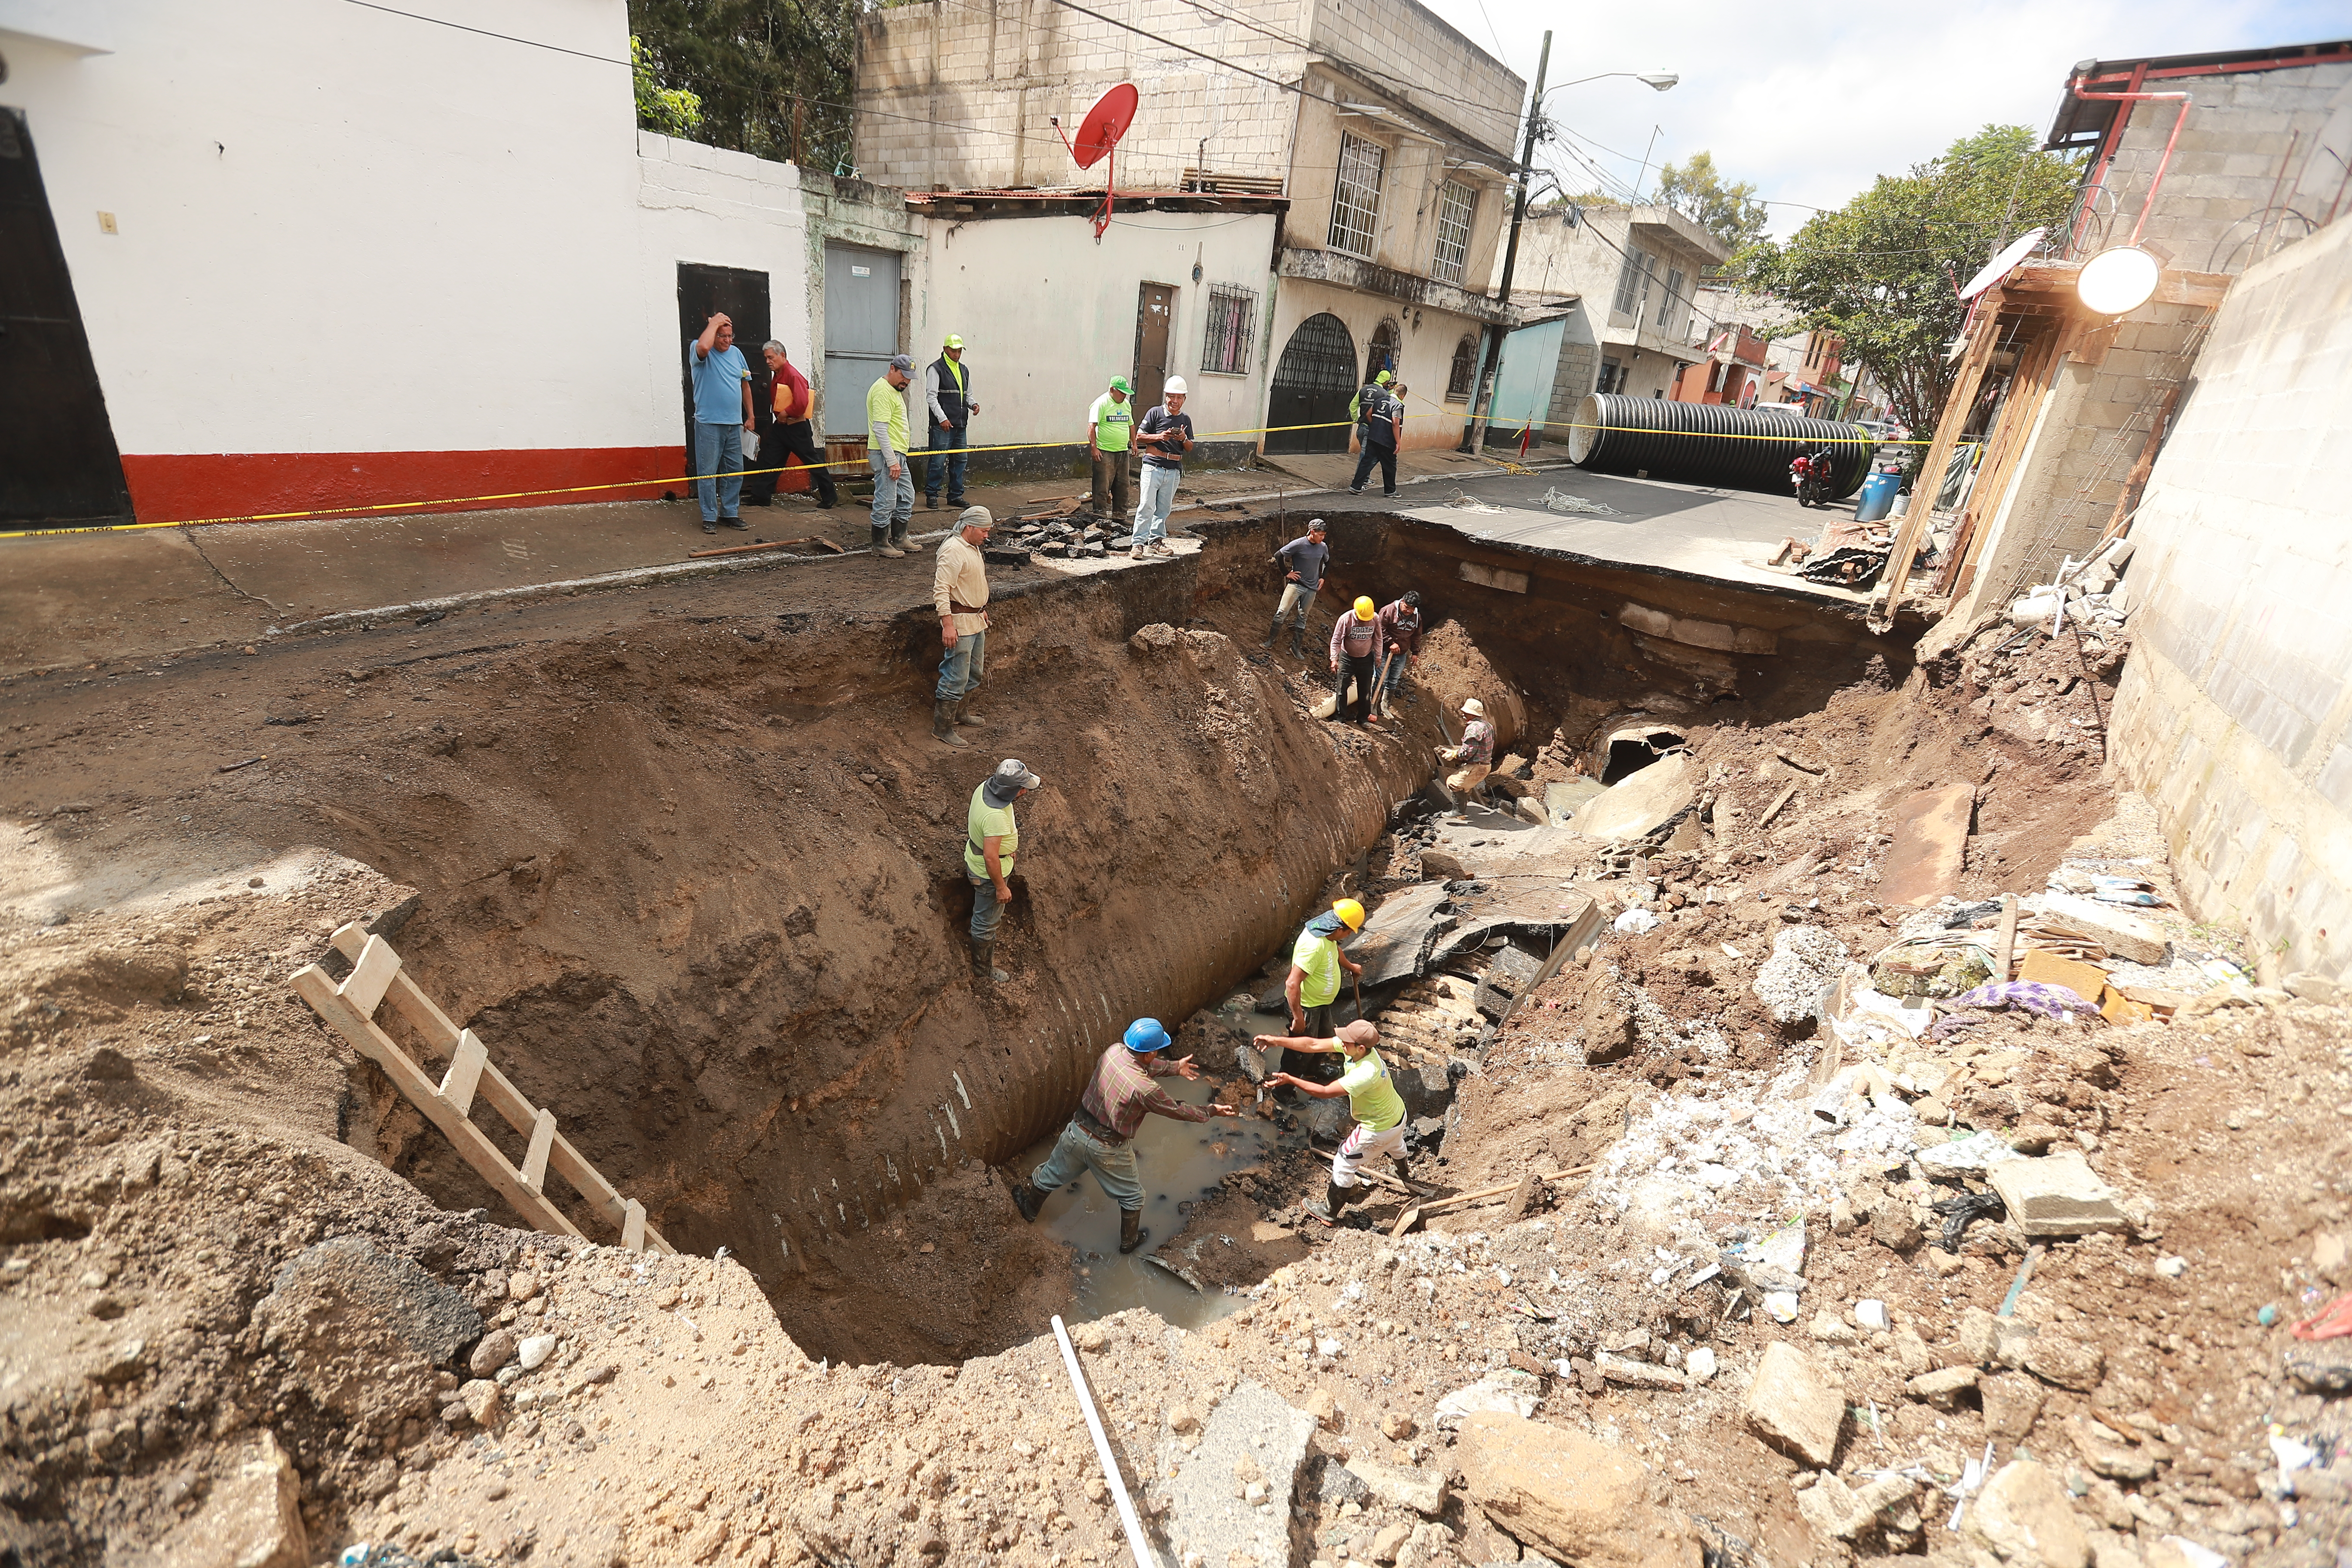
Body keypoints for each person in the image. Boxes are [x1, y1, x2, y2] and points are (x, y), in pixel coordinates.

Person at [1008, 1018, 1239, 1255]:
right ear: (1150, 1054)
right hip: (1108, 1148)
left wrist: (1174, 1068)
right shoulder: (1146, 1089)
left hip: (1077, 1131)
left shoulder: (1113, 1052)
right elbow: (1175, 1109)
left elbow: (1140, 1065)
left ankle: (1030, 1209)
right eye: (1157, 1050)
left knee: (1050, 1174)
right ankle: (1129, 1242)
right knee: (1133, 1197)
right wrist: (1208, 1112)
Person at [1256, 1020, 1409, 1225]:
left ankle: (1329, 1212)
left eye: (1346, 1041)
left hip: (1378, 1128)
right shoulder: (1358, 1050)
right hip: (1397, 1115)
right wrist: (1277, 1041)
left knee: (1344, 1161)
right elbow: (1313, 1045)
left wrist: (1291, 1080)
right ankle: (1403, 1174)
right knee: (1396, 1143)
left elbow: (1325, 1092)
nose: (1342, 1043)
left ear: (1361, 1047)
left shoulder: (1365, 1074)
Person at [962, 756, 1039, 982]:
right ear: (1008, 791)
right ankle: (982, 969)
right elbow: (990, 857)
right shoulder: (995, 817)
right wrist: (1001, 887)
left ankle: (979, 929)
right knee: (986, 922)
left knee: (984, 913)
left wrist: (1008, 849)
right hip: (987, 875)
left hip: (976, 855)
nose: (1025, 792)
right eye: (1021, 789)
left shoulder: (986, 788)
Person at [1282, 897, 1365, 1088]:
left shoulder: (1328, 934)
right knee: (1300, 1051)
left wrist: (1351, 967)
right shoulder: (1314, 946)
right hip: (1306, 1008)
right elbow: (1292, 984)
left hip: (1321, 1004)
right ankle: (1283, 1090)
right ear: (1339, 930)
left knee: (1327, 1038)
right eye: (1347, 933)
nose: (1346, 937)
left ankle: (1313, 1071)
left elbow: (1336, 951)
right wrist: (1299, 1018)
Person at [932, 506, 995, 746]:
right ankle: (942, 728)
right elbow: (942, 590)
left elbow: (971, 583)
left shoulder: (973, 547)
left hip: (975, 620)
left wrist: (980, 608)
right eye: (984, 531)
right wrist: (947, 625)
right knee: (956, 676)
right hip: (960, 624)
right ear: (969, 527)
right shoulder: (953, 550)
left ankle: (960, 714)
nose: (986, 536)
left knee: (974, 673)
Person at [688, 312, 755, 536]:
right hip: (708, 423)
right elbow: (704, 348)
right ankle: (709, 516)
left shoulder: (737, 354)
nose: (727, 340)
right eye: (722, 336)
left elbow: (745, 384)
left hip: (734, 424)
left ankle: (729, 513)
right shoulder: (700, 349)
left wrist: (751, 415)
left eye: (730, 336)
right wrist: (714, 322)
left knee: (735, 470)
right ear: (713, 335)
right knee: (708, 472)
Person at [759, 341, 838, 509]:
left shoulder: (793, 375)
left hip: (796, 427)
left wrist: (786, 413)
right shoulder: (778, 373)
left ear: (783, 356)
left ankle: (830, 496)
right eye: (766, 358)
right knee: (771, 460)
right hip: (781, 427)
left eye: (771, 357)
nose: (768, 361)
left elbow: (802, 403)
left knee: (811, 461)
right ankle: (761, 496)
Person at [1128, 377, 1194, 560]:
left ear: (1184, 399)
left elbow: (1190, 447)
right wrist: (1160, 437)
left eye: (1179, 397)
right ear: (1166, 397)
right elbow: (1140, 437)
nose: (1175, 401)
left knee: (1164, 508)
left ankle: (1156, 541)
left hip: (1173, 469)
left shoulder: (1185, 419)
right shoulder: (1155, 413)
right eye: (1171, 397)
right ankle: (1138, 544)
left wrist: (1182, 438)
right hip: (1153, 466)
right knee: (1146, 506)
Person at [867, 354, 921, 558]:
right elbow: (880, 429)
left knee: (906, 495)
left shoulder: (893, 389)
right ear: (892, 369)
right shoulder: (883, 392)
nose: (906, 381)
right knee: (887, 499)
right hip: (887, 454)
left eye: (909, 377)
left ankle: (900, 538)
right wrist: (892, 462)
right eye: (904, 375)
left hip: (897, 454)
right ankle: (880, 543)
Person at [924, 334, 977, 511]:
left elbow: (967, 395)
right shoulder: (936, 369)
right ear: (946, 349)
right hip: (943, 426)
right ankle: (932, 494)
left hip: (960, 424)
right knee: (938, 460)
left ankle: (955, 495)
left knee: (960, 460)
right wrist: (942, 419)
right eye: (954, 350)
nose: (957, 354)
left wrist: (973, 404)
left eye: (959, 351)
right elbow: (931, 398)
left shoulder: (964, 370)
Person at [1262, 517, 1329, 657]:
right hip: (1296, 585)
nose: (1322, 538)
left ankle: (1296, 648)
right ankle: (1270, 641)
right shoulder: (1299, 544)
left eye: (1324, 536)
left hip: (1312, 588)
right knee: (1282, 611)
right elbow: (1278, 555)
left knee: (1303, 616)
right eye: (1321, 535)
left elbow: (1327, 562)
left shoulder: (1323, 547)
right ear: (1312, 532)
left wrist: (1323, 577)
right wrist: (1287, 573)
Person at [1328, 595, 1383, 726]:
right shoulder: (1345, 619)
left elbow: (1378, 639)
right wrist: (1334, 659)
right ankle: (1341, 716)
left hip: (1366, 658)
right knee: (1342, 688)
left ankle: (1363, 718)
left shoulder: (1375, 618)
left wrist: (1379, 656)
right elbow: (1336, 641)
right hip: (1347, 658)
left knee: (1365, 690)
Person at [1088, 376, 1136, 523]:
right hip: (1105, 451)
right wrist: (1094, 449)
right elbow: (1091, 428)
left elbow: (1131, 425)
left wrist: (1134, 444)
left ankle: (1120, 515)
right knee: (1102, 485)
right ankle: (1100, 515)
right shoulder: (1101, 403)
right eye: (1121, 393)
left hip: (1122, 451)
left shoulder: (1126, 405)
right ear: (1112, 390)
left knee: (1123, 485)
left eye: (1126, 393)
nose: (1124, 396)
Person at [1349, 374, 1403, 498]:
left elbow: (1365, 412)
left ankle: (1356, 486)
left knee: (1366, 461)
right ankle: (1390, 491)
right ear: (1403, 396)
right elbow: (1395, 423)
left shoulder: (1368, 393)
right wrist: (1398, 442)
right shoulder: (1396, 404)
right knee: (1390, 465)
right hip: (1385, 439)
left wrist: (1361, 420)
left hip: (1370, 433)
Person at [1436, 696, 1497, 807]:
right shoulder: (1487, 725)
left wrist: (1455, 754)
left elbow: (1468, 752)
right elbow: (1478, 747)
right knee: (1465, 787)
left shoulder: (1473, 729)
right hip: (1486, 765)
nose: (1463, 715)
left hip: (1477, 767)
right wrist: (1456, 751)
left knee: (1453, 783)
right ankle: (1462, 813)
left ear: (1472, 714)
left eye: (1465, 712)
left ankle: (1458, 811)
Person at [1373, 589, 1424, 719]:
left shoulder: (1417, 617)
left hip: (1401, 655)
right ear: (1402, 602)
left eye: (1412, 609)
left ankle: (1385, 707)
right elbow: (1379, 630)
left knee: (1393, 681)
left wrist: (1415, 652)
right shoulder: (1388, 611)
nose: (1409, 611)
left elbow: (1417, 636)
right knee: (1381, 680)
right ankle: (1373, 706)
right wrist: (1390, 643)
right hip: (1385, 652)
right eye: (1407, 607)